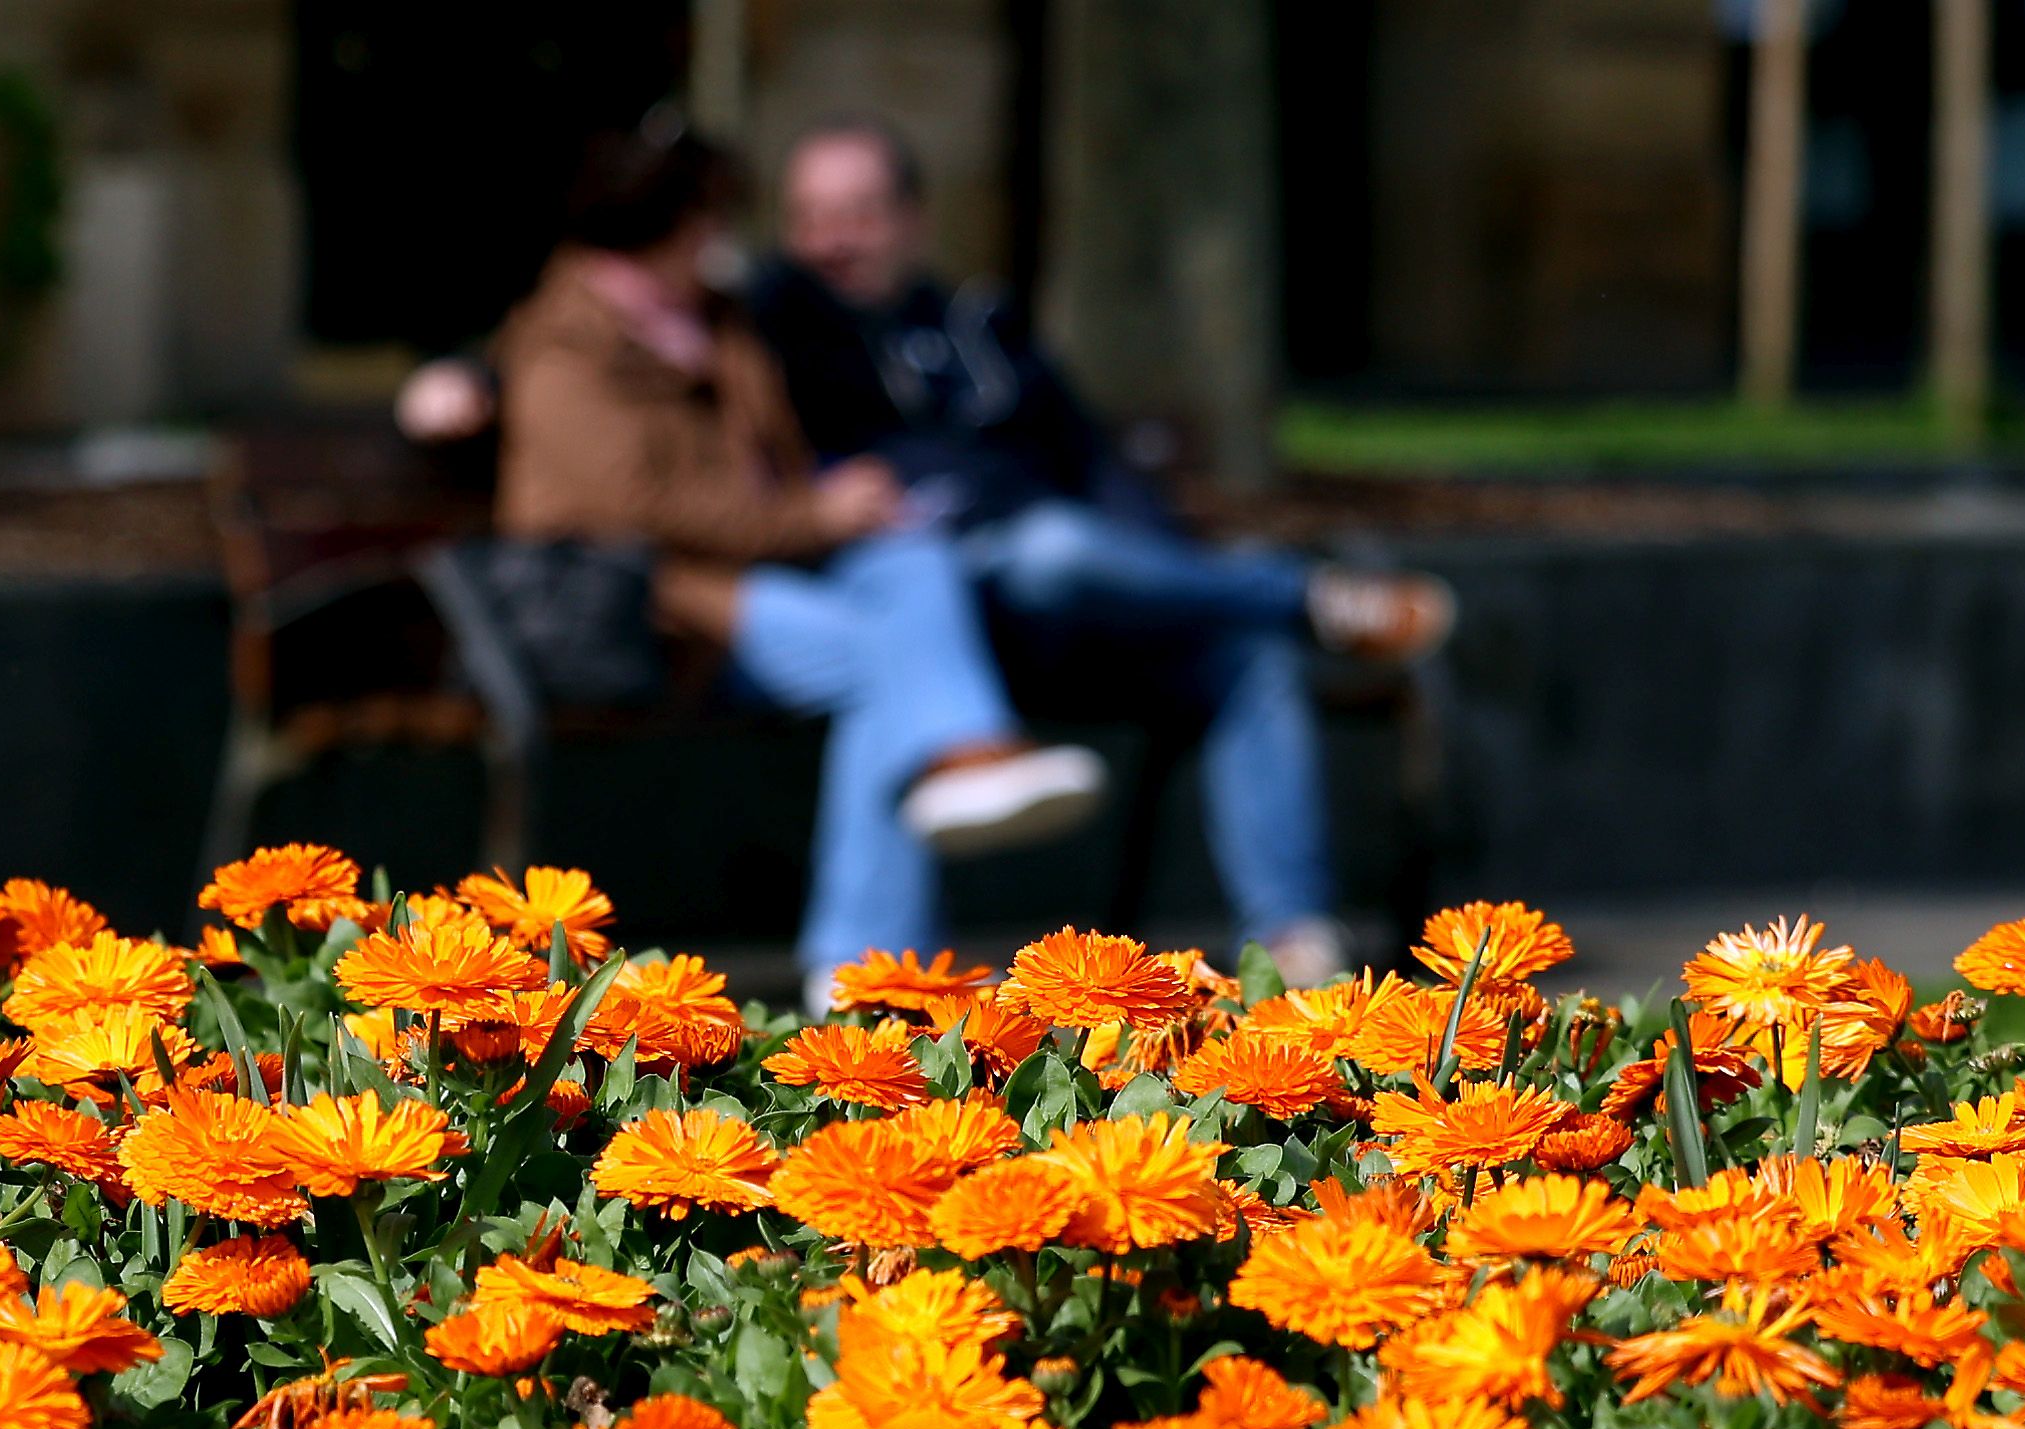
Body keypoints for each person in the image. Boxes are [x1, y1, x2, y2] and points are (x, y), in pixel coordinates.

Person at [747, 116, 1454, 985]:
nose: (831, 242)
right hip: (933, 614)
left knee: (1244, 656)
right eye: (809, 217)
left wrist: (1151, 571)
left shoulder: (981, 326)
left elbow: (1092, 463)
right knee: (1054, 547)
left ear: (913, 221)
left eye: (855, 214)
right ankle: (1299, 594)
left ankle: (1296, 942)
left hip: (1071, 618)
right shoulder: (769, 330)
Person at [489, 123, 1109, 994]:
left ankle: (959, 767)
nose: (721, 238)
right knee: (880, 661)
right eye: (709, 217)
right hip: (663, 606)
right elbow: (639, 506)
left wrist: (839, 505)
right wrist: (813, 513)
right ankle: (866, 957)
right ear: (665, 223)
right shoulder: (567, 345)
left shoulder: (710, 321)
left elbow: (775, 451)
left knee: (912, 560)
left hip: (766, 569)